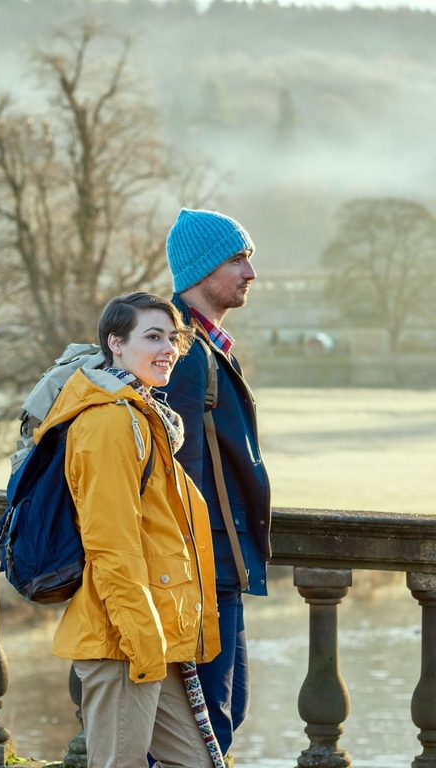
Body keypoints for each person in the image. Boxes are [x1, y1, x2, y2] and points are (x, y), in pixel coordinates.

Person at [40, 291, 223, 768]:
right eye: (153, 337)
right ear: (115, 344)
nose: (168, 349)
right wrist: (144, 643)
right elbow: (111, 546)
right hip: (122, 637)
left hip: (148, 632)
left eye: (173, 338)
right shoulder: (110, 423)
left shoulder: (143, 415)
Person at [161, 209, 271, 765]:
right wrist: (197, 574)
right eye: (237, 259)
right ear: (201, 270)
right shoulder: (181, 357)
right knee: (199, 738)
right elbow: (178, 480)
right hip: (202, 572)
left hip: (225, 567)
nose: (250, 272)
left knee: (225, 716)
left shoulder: (206, 346)